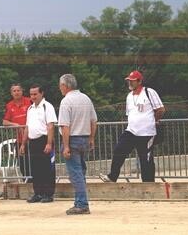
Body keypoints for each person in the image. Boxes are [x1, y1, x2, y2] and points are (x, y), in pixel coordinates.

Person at [100, 70, 165, 183]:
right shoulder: (129, 96)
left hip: (147, 133)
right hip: (131, 131)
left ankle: (148, 184)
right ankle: (112, 177)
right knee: (118, 150)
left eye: (132, 81)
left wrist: (153, 121)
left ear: (139, 81)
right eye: (129, 80)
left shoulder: (149, 92)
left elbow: (160, 109)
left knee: (146, 160)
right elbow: (130, 114)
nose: (130, 83)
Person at [58, 74, 97, 215]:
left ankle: (81, 204)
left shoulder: (66, 101)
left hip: (73, 139)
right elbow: (93, 121)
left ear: (65, 86)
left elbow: (65, 126)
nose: (59, 88)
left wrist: (66, 146)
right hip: (85, 138)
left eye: (60, 85)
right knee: (81, 171)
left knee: (76, 174)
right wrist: (92, 139)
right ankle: (79, 201)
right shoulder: (86, 98)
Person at [20, 84, 57, 203]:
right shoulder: (30, 109)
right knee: (35, 169)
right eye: (31, 94)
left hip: (44, 140)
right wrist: (23, 144)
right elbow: (27, 127)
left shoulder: (48, 106)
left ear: (42, 94)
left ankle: (48, 194)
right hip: (33, 141)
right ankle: (38, 193)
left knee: (47, 169)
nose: (33, 96)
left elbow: (50, 126)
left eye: (35, 94)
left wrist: (49, 143)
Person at [2, 83, 32, 180]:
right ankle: (27, 181)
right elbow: (4, 122)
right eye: (14, 91)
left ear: (22, 91)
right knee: (23, 164)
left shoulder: (29, 101)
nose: (16, 92)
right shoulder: (9, 105)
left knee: (34, 162)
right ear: (11, 93)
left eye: (18, 90)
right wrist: (16, 125)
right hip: (19, 140)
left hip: (33, 138)